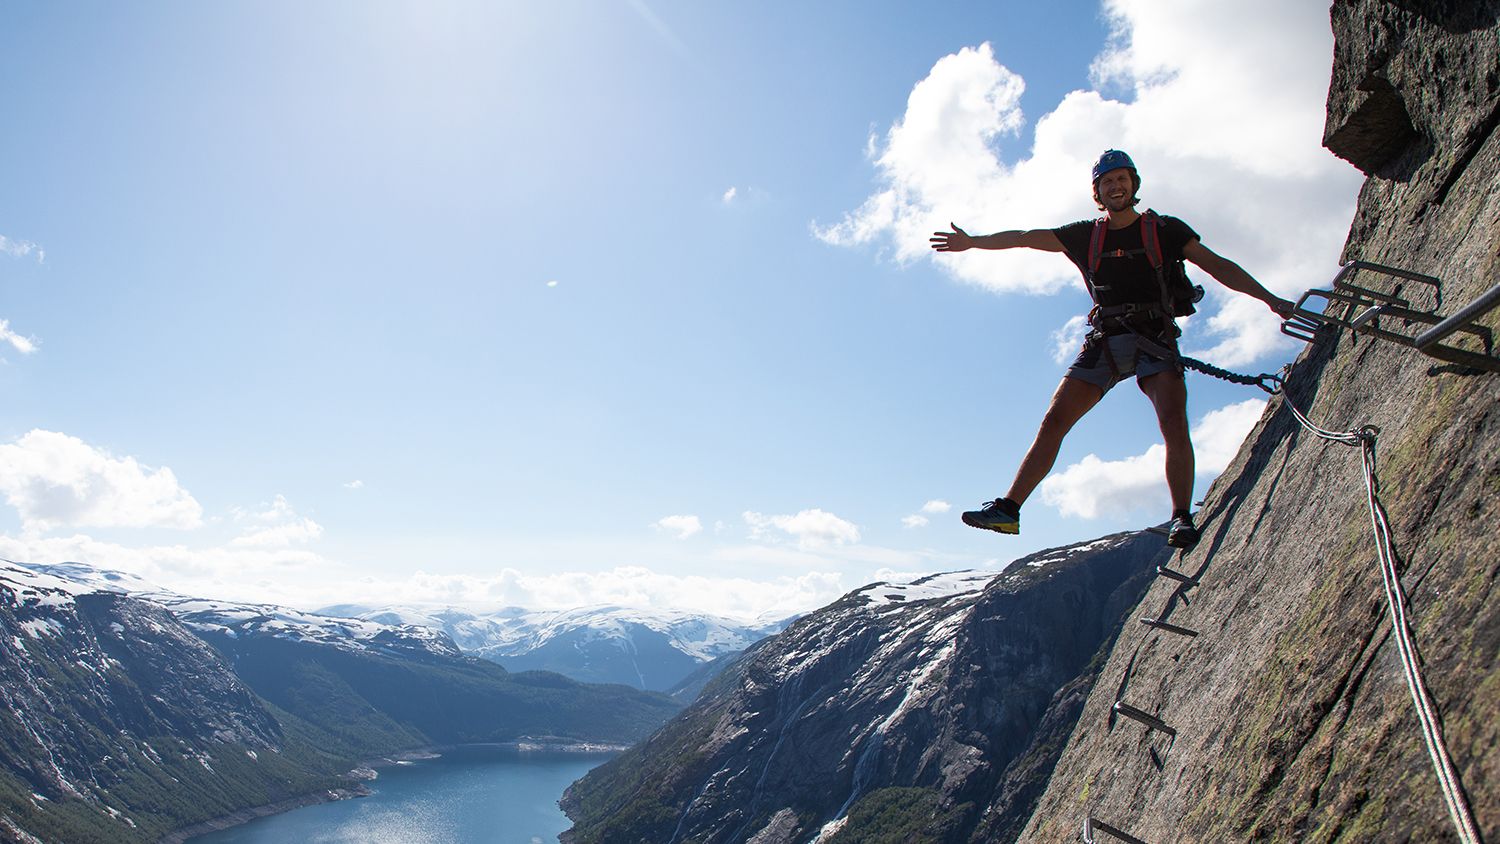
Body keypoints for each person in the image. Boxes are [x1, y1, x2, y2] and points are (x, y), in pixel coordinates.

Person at [929, 149, 1293, 548]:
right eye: (1107, 182)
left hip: (1154, 338)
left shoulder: (1166, 230)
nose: (1116, 186)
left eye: (1122, 179)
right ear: (1097, 192)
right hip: (1106, 340)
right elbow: (1024, 238)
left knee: (1173, 422)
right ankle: (1009, 509)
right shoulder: (1085, 235)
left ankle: (1182, 518)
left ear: (1134, 184)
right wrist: (972, 243)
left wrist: (1270, 299)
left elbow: (1218, 265)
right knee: (1054, 420)